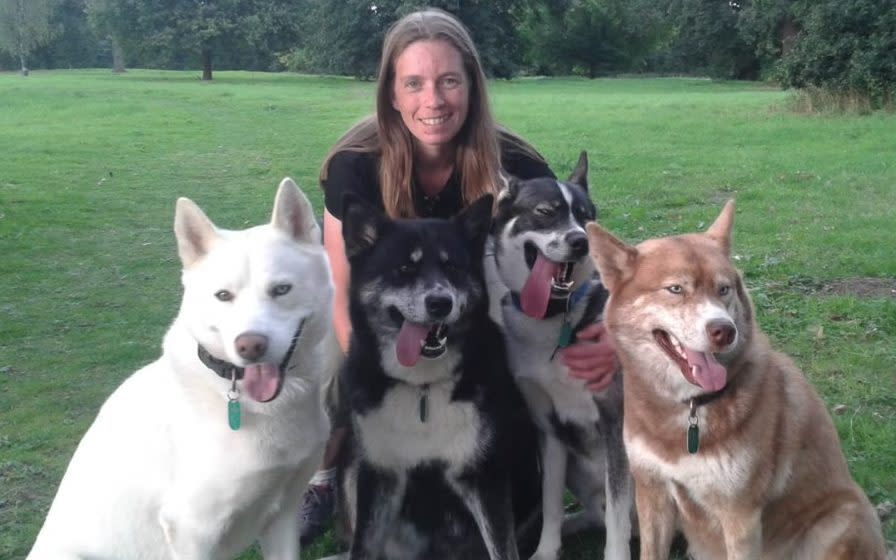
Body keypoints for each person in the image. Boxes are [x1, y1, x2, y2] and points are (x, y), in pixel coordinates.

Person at [299, 8, 619, 547]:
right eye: (415, 84)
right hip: (381, 311)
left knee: (514, 352)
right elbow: (345, 291)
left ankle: (510, 468)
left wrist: (612, 329)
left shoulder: (517, 164)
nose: (434, 100)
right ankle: (324, 477)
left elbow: (575, 255)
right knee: (333, 358)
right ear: (392, 94)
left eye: (450, 80)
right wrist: (393, 384)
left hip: (475, 301)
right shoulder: (355, 165)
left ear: (472, 86)